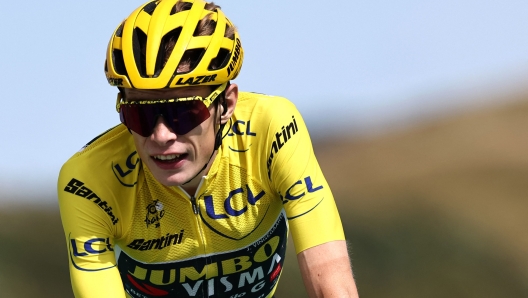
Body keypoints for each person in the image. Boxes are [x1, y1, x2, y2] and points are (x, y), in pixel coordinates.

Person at [57, 0, 359, 297]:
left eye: (183, 113)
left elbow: (330, 277)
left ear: (226, 104)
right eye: (141, 114)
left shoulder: (270, 129)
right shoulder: (89, 180)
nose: (161, 135)